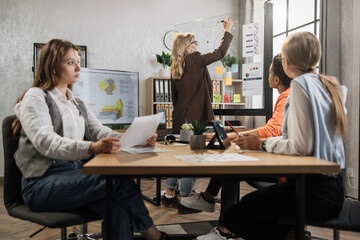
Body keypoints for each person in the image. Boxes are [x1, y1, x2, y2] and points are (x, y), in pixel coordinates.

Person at [12, 39, 168, 240]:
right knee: (117, 179)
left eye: (78, 61)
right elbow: (46, 142)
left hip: (77, 178)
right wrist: (93, 147)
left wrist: (136, 138)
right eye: (70, 62)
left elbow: (101, 132)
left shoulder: (77, 103)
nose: (79, 67)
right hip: (42, 185)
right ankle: (153, 234)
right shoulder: (36, 97)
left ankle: (151, 234)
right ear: (52, 66)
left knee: (118, 209)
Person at [224, 32, 347, 240]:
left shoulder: (299, 85)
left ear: (287, 62)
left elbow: (301, 146)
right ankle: (293, 234)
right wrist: (263, 142)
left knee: (234, 216)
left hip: (314, 193)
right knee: (249, 207)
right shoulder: (326, 84)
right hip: (332, 189)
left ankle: (294, 236)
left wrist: (262, 145)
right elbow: (308, 141)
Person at [180, 53, 293, 240]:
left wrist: (234, 136)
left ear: (276, 79)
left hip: (284, 167)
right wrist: (235, 136)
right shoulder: (287, 95)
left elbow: (272, 130)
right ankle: (208, 199)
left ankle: (223, 230)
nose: (267, 76)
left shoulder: (286, 96)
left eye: (269, 72)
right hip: (281, 157)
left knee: (230, 170)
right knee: (227, 160)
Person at [162, 17, 234, 213]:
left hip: (180, 117)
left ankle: (169, 193)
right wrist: (227, 31)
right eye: (194, 42)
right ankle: (185, 197)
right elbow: (220, 53)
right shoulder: (195, 59)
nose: (197, 44)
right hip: (195, 119)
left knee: (178, 156)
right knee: (192, 158)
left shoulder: (176, 66)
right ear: (187, 46)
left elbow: (174, 99)